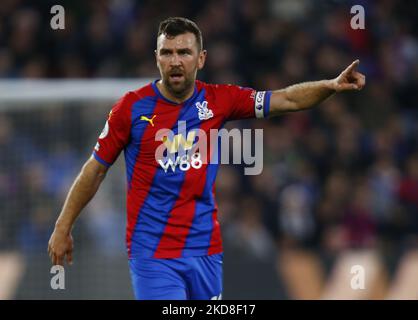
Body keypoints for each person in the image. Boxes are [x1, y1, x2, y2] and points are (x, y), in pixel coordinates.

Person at [47, 17, 365, 300]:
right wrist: (63, 225)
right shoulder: (130, 108)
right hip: (153, 255)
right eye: (167, 52)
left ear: (200, 59)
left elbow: (287, 99)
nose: (175, 61)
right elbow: (95, 170)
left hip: (206, 250)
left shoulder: (220, 100)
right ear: (156, 57)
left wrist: (330, 86)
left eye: (184, 52)